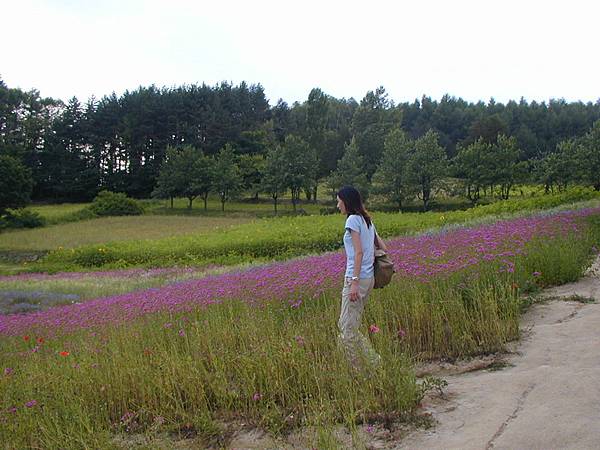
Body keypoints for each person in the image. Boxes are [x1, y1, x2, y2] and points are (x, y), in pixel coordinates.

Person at [336, 186, 387, 369]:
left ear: (346, 201)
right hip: (368, 278)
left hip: (356, 279)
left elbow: (358, 252)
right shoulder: (367, 221)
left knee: (348, 330)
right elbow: (383, 247)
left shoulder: (352, 220)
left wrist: (354, 283)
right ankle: (367, 365)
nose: (337, 205)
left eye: (339, 201)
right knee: (347, 325)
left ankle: (365, 368)